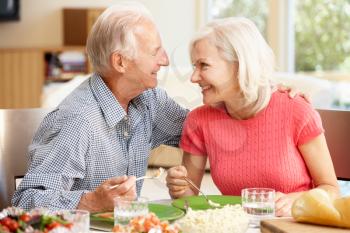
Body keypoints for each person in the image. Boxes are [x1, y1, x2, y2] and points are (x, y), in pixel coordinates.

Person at [12, 3, 188, 212]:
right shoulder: (77, 120)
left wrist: (231, 92)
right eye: (155, 52)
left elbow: (200, 132)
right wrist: (91, 201)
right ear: (120, 62)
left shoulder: (150, 100)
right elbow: (25, 202)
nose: (165, 60)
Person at [165, 17, 340, 217]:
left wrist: (297, 199)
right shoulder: (199, 121)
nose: (194, 77)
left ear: (240, 65)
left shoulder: (297, 110)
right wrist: (178, 187)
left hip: (289, 225)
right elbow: (189, 199)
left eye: (203, 65)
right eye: (194, 66)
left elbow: (331, 189)